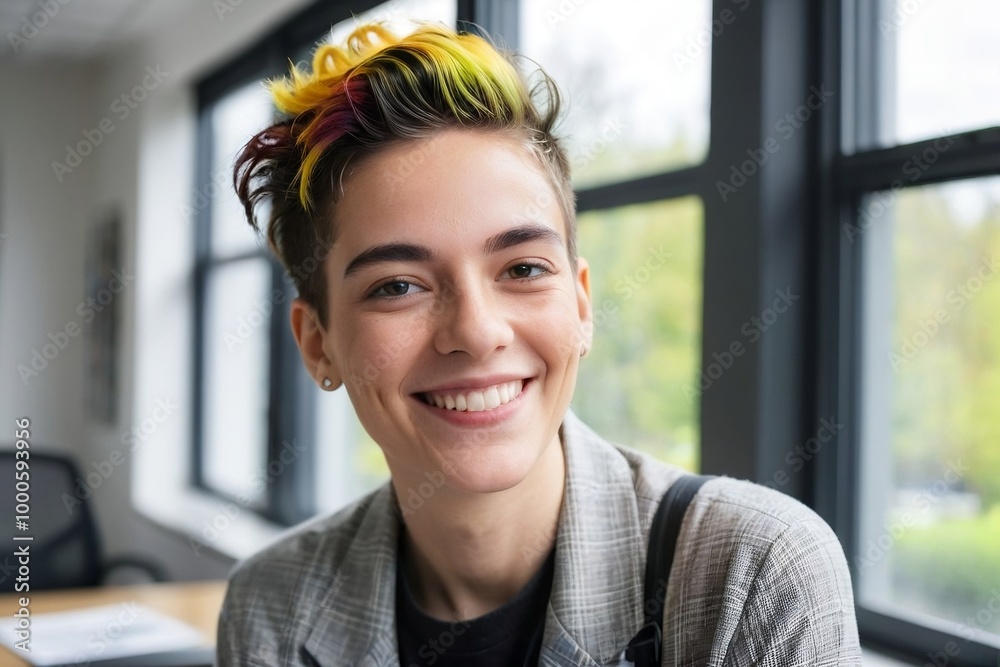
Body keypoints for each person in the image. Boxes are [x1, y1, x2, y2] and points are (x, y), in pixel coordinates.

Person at [217, 21, 861, 666]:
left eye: (524, 269)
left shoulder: (754, 574)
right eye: (398, 286)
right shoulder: (272, 604)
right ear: (317, 343)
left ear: (580, 304)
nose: (476, 332)